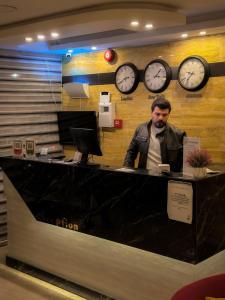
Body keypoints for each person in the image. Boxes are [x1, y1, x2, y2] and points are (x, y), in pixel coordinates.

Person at [123, 96, 186, 172]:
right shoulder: (140, 130)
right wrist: (127, 172)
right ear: (152, 113)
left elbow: (185, 162)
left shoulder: (178, 134)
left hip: (167, 178)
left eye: (164, 115)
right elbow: (131, 153)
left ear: (169, 114)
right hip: (144, 177)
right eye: (157, 114)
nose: (160, 118)